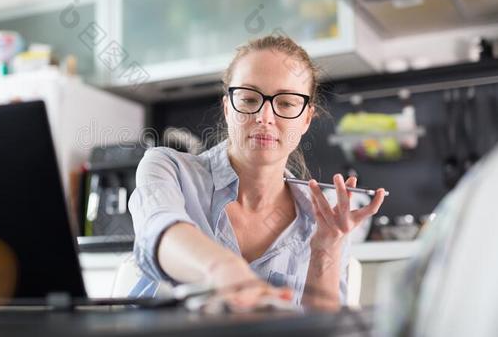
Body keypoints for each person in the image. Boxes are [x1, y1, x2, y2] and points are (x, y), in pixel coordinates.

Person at [128, 35, 386, 309]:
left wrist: (325, 250)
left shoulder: (322, 221)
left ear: (307, 119)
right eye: (249, 99)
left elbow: (321, 330)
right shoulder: (168, 169)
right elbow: (159, 232)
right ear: (227, 108)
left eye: (286, 103)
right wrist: (223, 270)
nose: (264, 117)